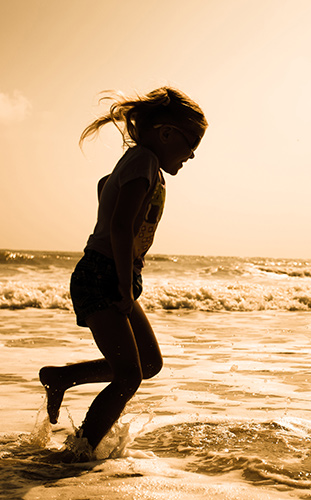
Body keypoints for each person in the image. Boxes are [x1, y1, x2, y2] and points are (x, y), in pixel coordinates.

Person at [39, 87, 207, 460]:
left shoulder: (142, 165)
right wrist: (121, 281)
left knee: (148, 364)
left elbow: (106, 191)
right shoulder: (144, 160)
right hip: (104, 272)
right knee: (129, 375)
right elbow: (119, 226)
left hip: (114, 271)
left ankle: (63, 377)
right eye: (191, 141)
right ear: (165, 133)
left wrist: (127, 276)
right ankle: (76, 454)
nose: (193, 152)